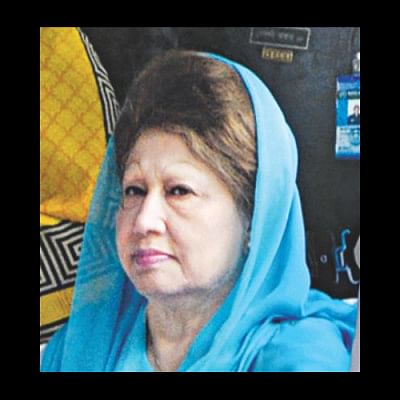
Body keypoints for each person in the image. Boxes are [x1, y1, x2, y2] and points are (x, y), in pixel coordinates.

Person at [41, 50, 357, 372]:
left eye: (179, 191)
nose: (144, 220)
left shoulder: (300, 355)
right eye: (134, 190)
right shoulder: (78, 348)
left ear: (253, 219)